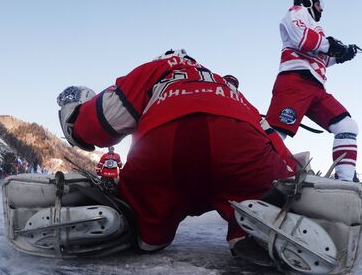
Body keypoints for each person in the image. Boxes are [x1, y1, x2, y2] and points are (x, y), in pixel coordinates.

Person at [57, 49, 296, 253]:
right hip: (240, 147)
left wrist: (76, 122)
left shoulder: (158, 68)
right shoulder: (225, 84)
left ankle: (128, 225)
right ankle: (257, 229)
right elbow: (270, 137)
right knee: (263, 200)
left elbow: (105, 120)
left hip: (163, 149)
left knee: (142, 220)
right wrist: (293, 179)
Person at [265, 0, 361, 182]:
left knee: (347, 126)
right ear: (308, 1)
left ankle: (346, 182)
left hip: (315, 87)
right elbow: (303, 40)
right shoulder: (297, 12)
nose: (321, 9)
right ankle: (252, 178)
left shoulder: (316, 28)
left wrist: (340, 56)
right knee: (276, 133)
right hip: (295, 81)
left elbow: (319, 57)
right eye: (318, 4)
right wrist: (333, 46)